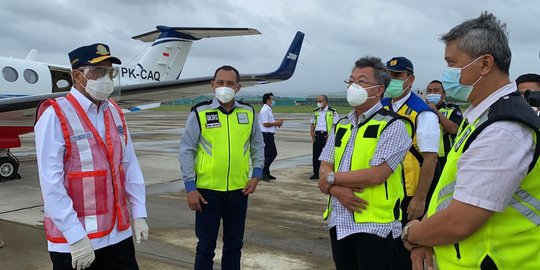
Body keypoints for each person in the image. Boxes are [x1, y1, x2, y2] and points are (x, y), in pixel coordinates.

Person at [402, 12, 540, 269]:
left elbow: (459, 221)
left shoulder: (504, 128)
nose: (447, 73)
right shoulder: (482, 116)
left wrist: (412, 234)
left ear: (485, 64)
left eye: (452, 63)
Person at [34, 43, 149, 270]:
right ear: (77, 75)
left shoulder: (115, 112)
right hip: (76, 241)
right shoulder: (54, 115)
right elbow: (51, 183)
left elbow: (129, 165)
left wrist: (139, 212)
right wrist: (74, 235)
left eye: (110, 72)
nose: (106, 78)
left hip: (117, 234)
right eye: (98, 71)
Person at [318, 56, 412, 270]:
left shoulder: (394, 125)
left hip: (375, 226)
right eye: (351, 81)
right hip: (339, 222)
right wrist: (336, 190)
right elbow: (325, 162)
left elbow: (377, 175)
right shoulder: (342, 124)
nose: (353, 86)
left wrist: (330, 181)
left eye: (361, 81)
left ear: (379, 89)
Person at [179, 65, 264, 270]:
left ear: (238, 87)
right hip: (207, 192)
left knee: (234, 246)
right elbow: (186, 151)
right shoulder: (200, 112)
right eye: (220, 83)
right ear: (212, 85)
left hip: (239, 191)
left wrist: (256, 176)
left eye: (230, 83)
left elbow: (258, 146)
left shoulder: (249, 113)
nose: (224, 87)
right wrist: (191, 188)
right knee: (206, 247)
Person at [381, 56, 440, 269]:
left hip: (409, 193)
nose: (392, 80)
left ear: (411, 79)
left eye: (397, 76)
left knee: (405, 250)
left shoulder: (422, 113)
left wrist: (420, 199)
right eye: (388, 75)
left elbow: (430, 158)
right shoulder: (382, 106)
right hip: (384, 191)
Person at [425, 80, 463, 168]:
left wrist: (435, 111)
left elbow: (454, 130)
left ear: (443, 95)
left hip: (444, 158)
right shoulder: (422, 110)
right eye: (429, 91)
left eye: (436, 90)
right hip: (425, 156)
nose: (432, 93)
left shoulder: (451, 110)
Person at [309, 95, 339, 180]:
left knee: (330, 155)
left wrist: (331, 136)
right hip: (317, 134)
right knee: (316, 155)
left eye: (321, 101)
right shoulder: (315, 111)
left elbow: (336, 125)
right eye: (318, 101)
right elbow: (312, 123)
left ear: (326, 101)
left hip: (327, 135)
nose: (319, 103)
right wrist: (311, 132)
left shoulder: (333, 111)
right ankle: (316, 173)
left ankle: (330, 173)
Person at [259, 93, 283, 181]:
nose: (272, 101)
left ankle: (266, 173)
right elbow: (265, 124)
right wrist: (276, 123)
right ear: (267, 100)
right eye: (271, 99)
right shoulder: (265, 110)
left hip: (269, 134)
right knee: (272, 154)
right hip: (266, 135)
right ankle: (263, 173)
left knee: (268, 154)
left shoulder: (268, 109)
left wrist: (276, 123)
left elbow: (269, 122)